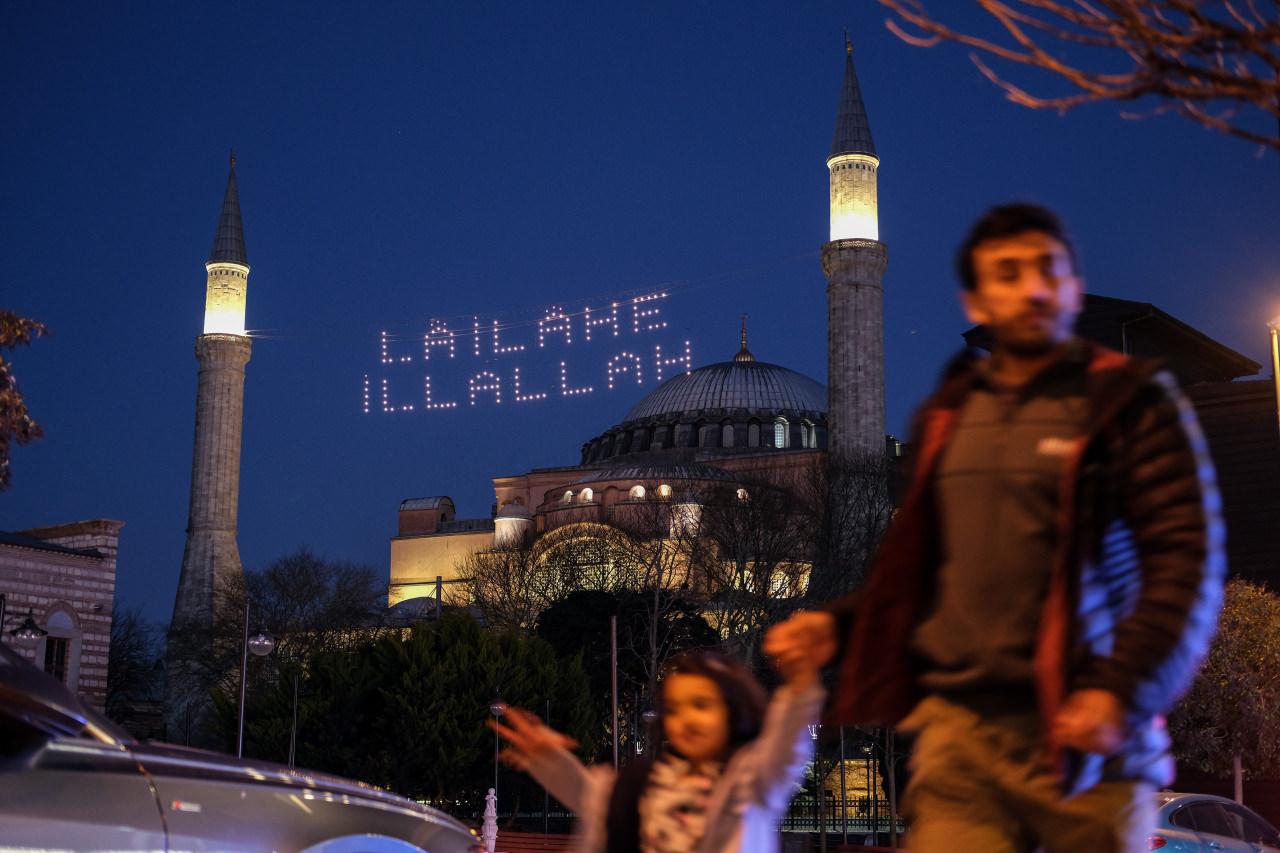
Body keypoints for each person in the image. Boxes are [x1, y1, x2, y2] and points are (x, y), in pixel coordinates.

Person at [765, 202, 1225, 852]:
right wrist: (835, 625)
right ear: (976, 300)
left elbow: (1187, 566)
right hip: (964, 739)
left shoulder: (1131, 404)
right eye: (1009, 273)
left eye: (1049, 269)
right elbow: (919, 576)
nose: (1033, 288)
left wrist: (1118, 691)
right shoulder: (949, 420)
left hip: (1086, 741)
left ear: (1072, 285)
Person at [492, 648, 824, 852]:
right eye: (675, 709)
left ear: (735, 708)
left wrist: (800, 686)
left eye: (701, 704)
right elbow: (600, 804)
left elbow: (784, 753)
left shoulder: (751, 782)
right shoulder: (650, 778)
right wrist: (549, 759)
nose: (687, 719)